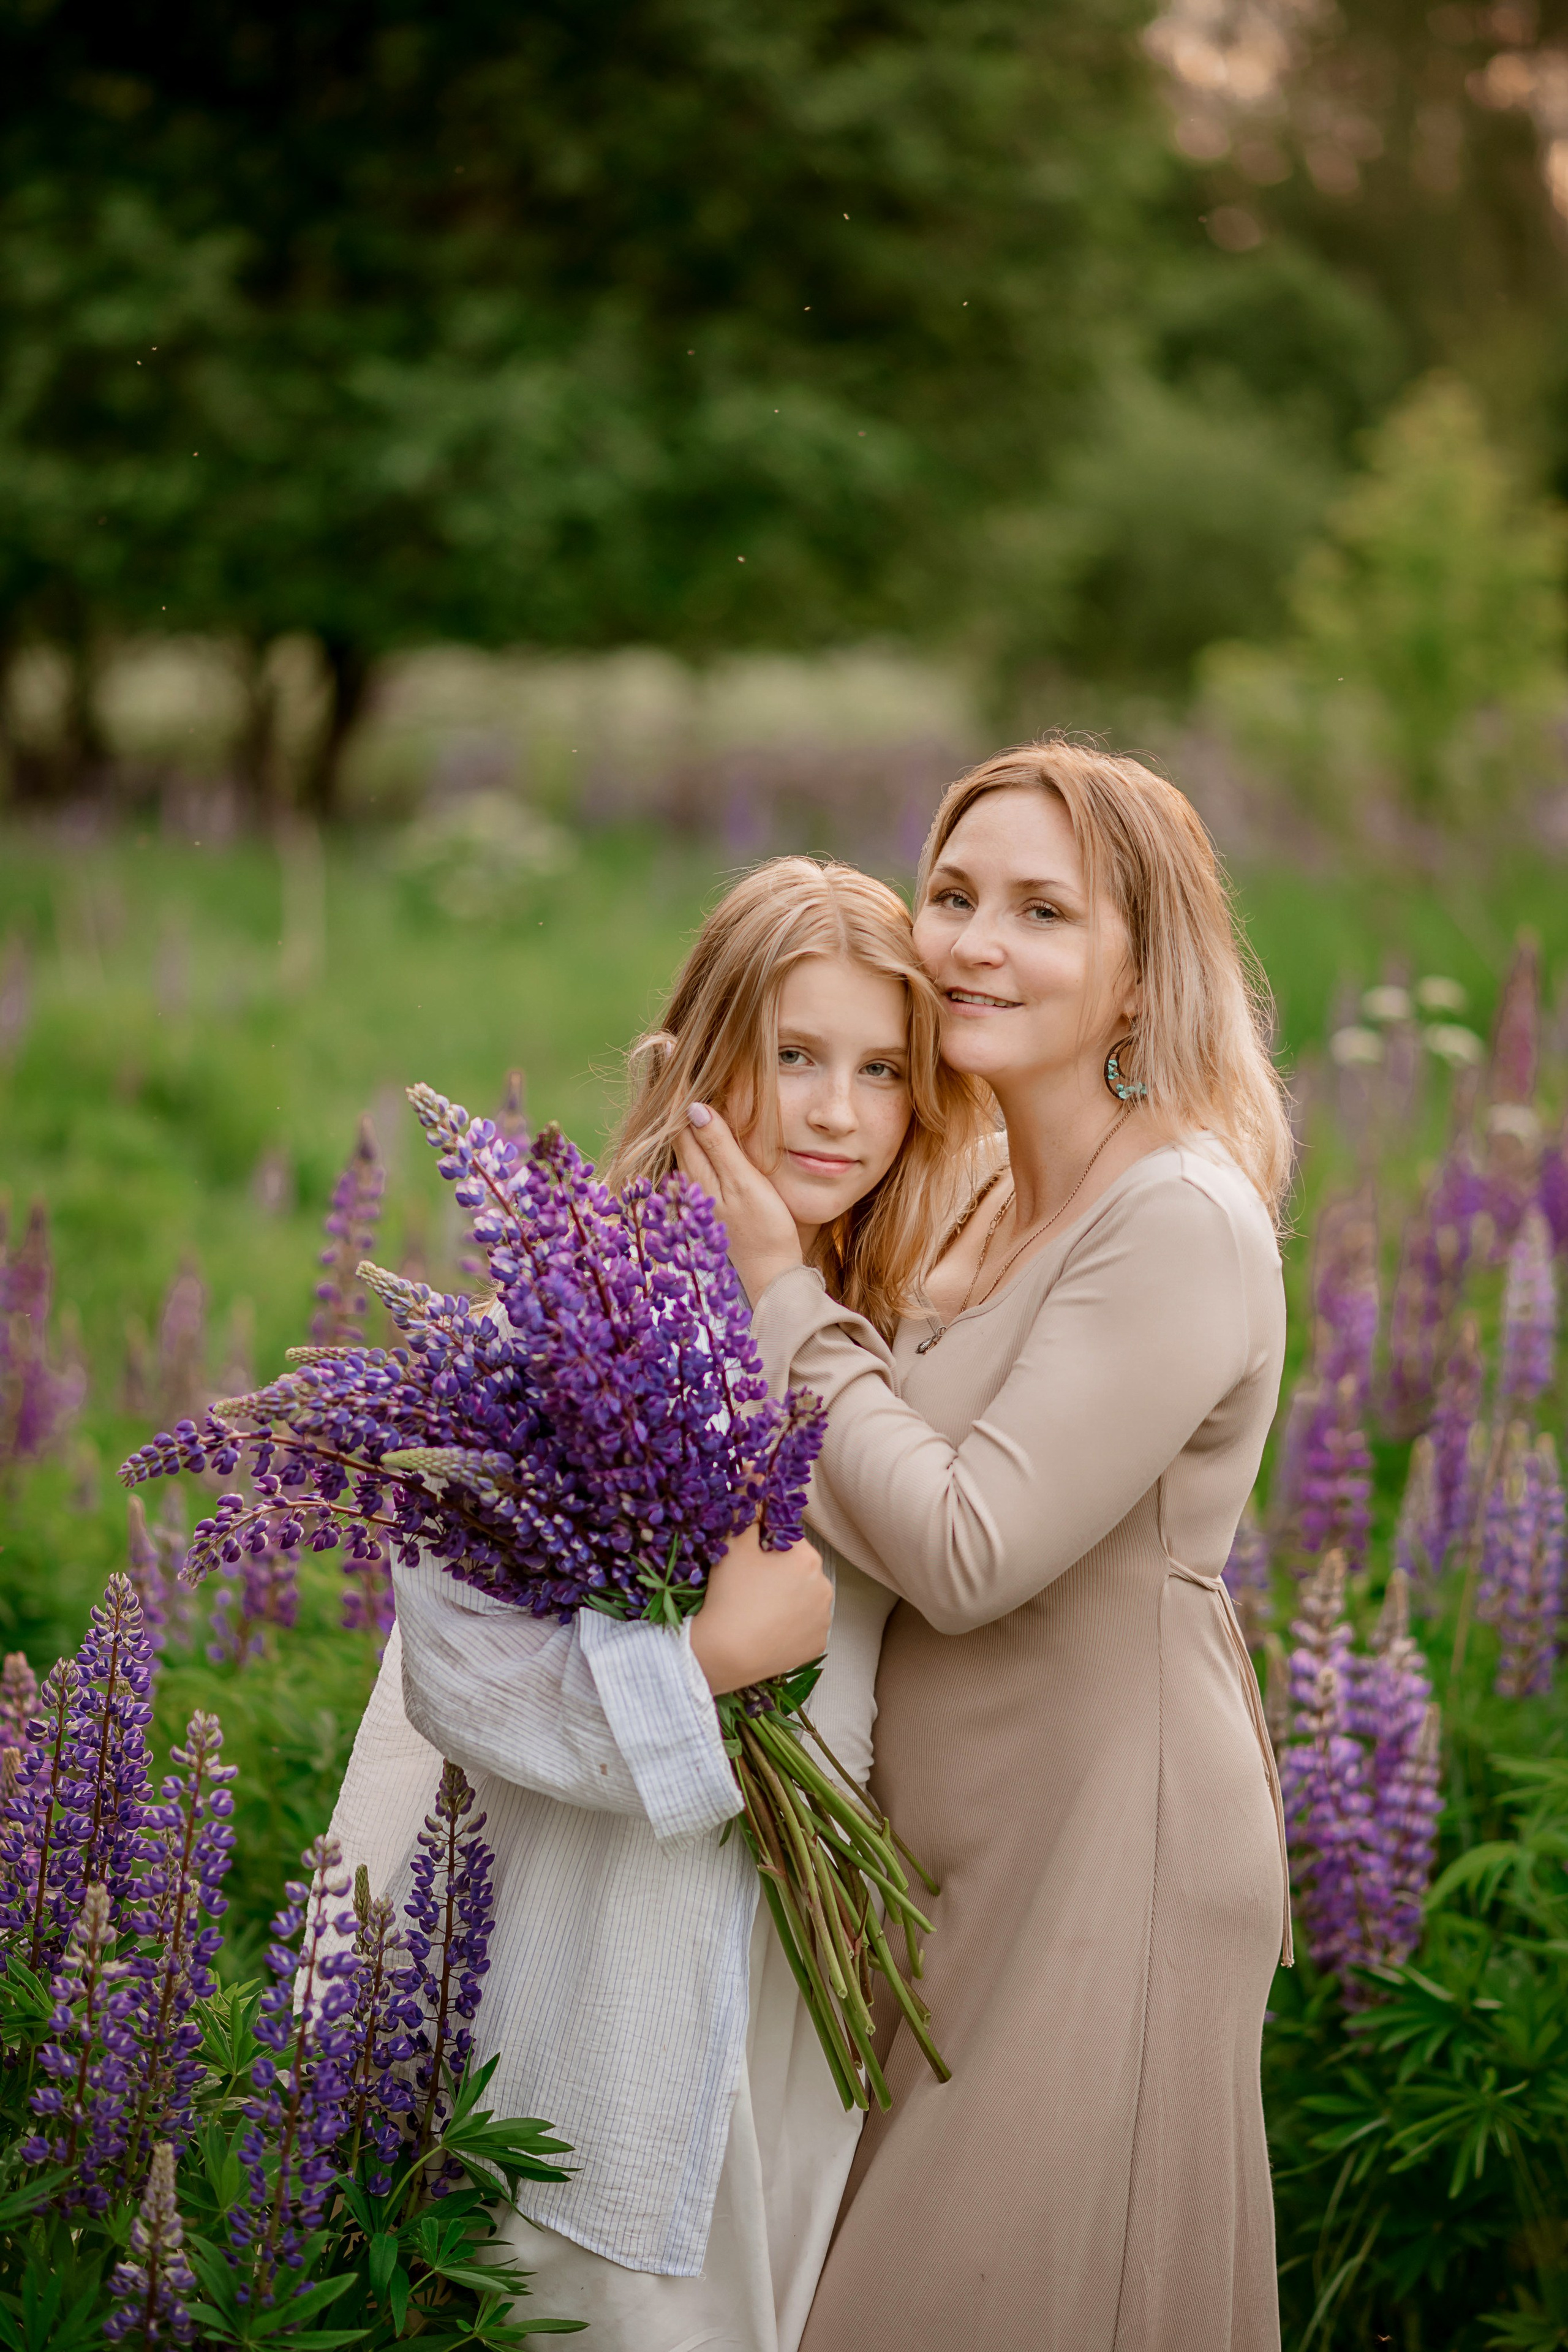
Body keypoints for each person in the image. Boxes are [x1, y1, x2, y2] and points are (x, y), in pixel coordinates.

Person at [322, 856, 989, 2352]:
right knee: (594, 2302)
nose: (834, 1111)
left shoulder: (881, 1352)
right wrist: (696, 1665)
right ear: (695, 1065)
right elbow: (459, 1671)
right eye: (793, 1058)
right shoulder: (558, 1330)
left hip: (804, 1975)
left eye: (883, 1071)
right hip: (589, 1958)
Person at [678, 742, 1295, 2352]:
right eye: (953, 895)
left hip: (1112, 1844)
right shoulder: (978, 1197)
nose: (971, 942)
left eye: (1042, 911)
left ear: (1140, 971)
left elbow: (962, 1546)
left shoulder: (1180, 1219)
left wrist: (775, 1297)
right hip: (944, 1870)